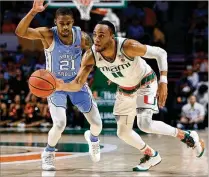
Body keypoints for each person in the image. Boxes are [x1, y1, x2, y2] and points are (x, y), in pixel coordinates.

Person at [56, 20, 205, 171]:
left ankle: (187, 136)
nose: (97, 39)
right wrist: (60, 86)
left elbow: (160, 53)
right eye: (95, 35)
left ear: (112, 37)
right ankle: (151, 155)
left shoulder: (128, 47)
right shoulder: (90, 56)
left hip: (145, 83)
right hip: (125, 89)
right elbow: (78, 83)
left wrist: (164, 82)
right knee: (123, 132)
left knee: (144, 124)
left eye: (102, 35)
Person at [15, 0, 102, 171]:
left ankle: (93, 139)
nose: (65, 27)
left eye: (68, 23)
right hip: (55, 86)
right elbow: (20, 32)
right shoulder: (48, 34)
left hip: (77, 84)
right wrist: (33, 12)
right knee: (60, 123)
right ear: (56, 22)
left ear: (73, 22)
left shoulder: (82, 37)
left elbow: (96, 54)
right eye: (61, 23)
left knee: (97, 124)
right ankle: (48, 153)